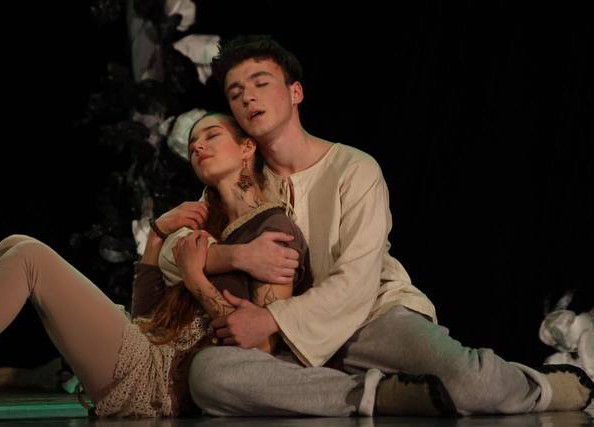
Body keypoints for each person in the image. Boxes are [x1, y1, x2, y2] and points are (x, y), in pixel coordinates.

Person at [159, 35, 594, 417]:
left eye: (260, 83)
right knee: (209, 376)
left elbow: (357, 282)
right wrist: (237, 255)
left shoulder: (354, 168)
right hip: (286, 343)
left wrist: (271, 317)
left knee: (470, 385)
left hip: (371, 318)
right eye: (235, 93)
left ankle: (540, 387)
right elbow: (173, 254)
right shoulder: (239, 182)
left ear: (295, 92)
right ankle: (378, 395)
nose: (248, 98)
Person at [0, 112, 312, 417]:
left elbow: (261, 352)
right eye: (192, 143)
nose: (198, 147)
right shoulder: (205, 223)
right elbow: (147, 315)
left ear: (247, 147)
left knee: (29, 258)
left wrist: (195, 277)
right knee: (14, 243)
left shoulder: (273, 229)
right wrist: (156, 235)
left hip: (166, 382)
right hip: (148, 349)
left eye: (211, 135)